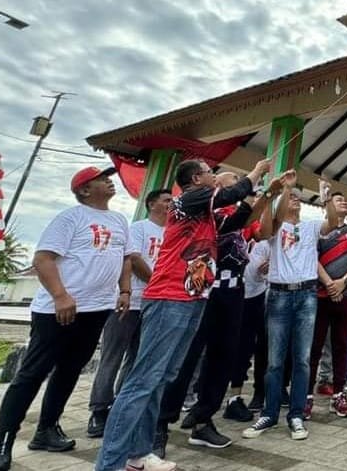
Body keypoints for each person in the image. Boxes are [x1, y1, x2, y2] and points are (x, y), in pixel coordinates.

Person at [94, 158, 275, 471]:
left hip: (193, 299)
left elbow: (237, 221)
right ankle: (109, 462)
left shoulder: (203, 213)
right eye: (211, 174)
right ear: (196, 178)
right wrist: (255, 171)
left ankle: (138, 454)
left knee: (162, 377)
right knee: (142, 381)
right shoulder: (186, 200)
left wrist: (262, 193)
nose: (216, 178)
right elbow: (230, 196)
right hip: (169, 297)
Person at [0, 167, 134, 471]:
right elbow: (43, 259)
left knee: (69, 370)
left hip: (96, 309)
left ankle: (47, 429)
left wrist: (125, 290)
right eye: (101, 179)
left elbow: (126, 258)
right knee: (32, 374)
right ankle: (2, 440)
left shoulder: (119, 221)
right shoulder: (70, 218)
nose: (109, 181)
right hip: (58, 310)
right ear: (85, 190)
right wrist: (61, 296)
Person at [159, 171, 264, 451]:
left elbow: (249, 220)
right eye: (233, 180)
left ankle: (203, 420)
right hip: (205, 291)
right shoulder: (201, 210)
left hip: (234, 292)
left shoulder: (231, 210)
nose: (239, 183)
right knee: (187, 358)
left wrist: (268, 193)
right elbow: (232, 223)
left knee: (222, 358)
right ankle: (160, 425)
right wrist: (257, 175)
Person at [87, 189, 171, 438]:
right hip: (129, 301)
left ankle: (122, 406)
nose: (170, 205)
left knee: (137, 359)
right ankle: (99, 408)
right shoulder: (139, 228)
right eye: (166, 200)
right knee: (112, 356)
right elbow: (132, 258)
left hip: (155, 304)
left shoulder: (171, 233)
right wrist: (156, 281)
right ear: (152, 204)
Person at [243, 178, 321, 441]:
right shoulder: (276, 227)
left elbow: (331, 221)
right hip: (278, 295)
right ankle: (269, 412)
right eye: (291, 197)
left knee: (301, 359)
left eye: (299, 197)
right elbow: (264, 231)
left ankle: (296, 415)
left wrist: (326, 196)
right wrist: (281, 190)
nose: (295, 199)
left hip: (306, 294)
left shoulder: (311, 226)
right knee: (275, 361)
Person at [305, 190, 347, 419]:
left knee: (342, 346)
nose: (345, 202)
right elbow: (313, 258)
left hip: (346, 296)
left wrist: (344, 282)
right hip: (320, 295)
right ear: (328, 204)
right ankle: (306, 396)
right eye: (339, 199)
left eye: (346, 199)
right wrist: (330, 284)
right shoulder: (319, 230)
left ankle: (339, 394)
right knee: (314, 347)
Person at [224, 238, 270, 420]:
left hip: (259, 297)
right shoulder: (239, 237)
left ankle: (255, 394)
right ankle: (228, 398)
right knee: (232, 349)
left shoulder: (268, 241)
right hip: (232, 295)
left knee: (259, 348)